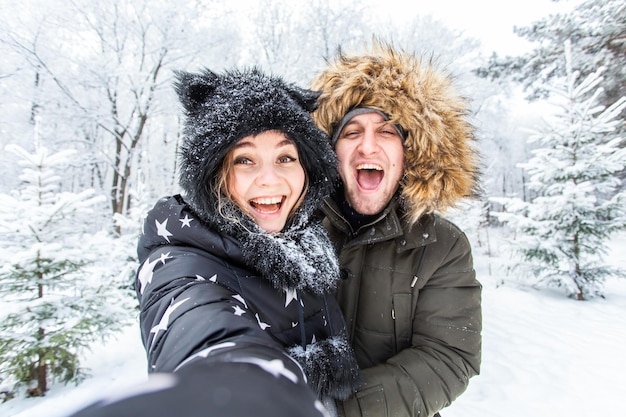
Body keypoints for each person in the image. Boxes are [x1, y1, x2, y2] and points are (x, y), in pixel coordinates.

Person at [69, 67, 362, 417]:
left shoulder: (306, 242)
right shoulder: (181, 259)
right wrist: (237, 391)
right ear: (213, 174)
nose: (271, 180)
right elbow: (202, 331)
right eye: (244, 159)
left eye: (285, 157)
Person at [310, 41, 483, 417]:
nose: (367, 147)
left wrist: (338, 411)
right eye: (351, 132)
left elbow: (449, 356)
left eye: (387, 131)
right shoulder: (296, 228)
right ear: (330, 150)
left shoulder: (443, 245)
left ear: (411, 152)